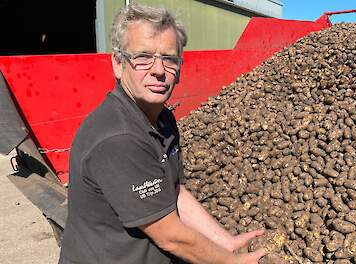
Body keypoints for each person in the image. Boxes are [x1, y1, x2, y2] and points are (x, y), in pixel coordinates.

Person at [59, 3, 267, 264]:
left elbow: (175, 192)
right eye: (143, 57)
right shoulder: (119, 138)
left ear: (179, 68)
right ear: (118, 63)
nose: (159, 70)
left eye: (169, 58)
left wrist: (226, 241)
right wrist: (232, 262)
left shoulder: (163, 118)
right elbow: (171, 237)